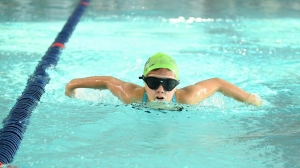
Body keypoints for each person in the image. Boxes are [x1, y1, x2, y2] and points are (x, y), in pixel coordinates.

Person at [65, 52, 262, 106]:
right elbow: (108, 81)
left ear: (177, 85)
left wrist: (248, 98)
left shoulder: (187, 97)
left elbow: (218, 83)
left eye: (168, 84)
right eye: (153, 82)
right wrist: (72, 85)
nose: (160, 89)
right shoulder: (132, 95)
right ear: (144, 83)